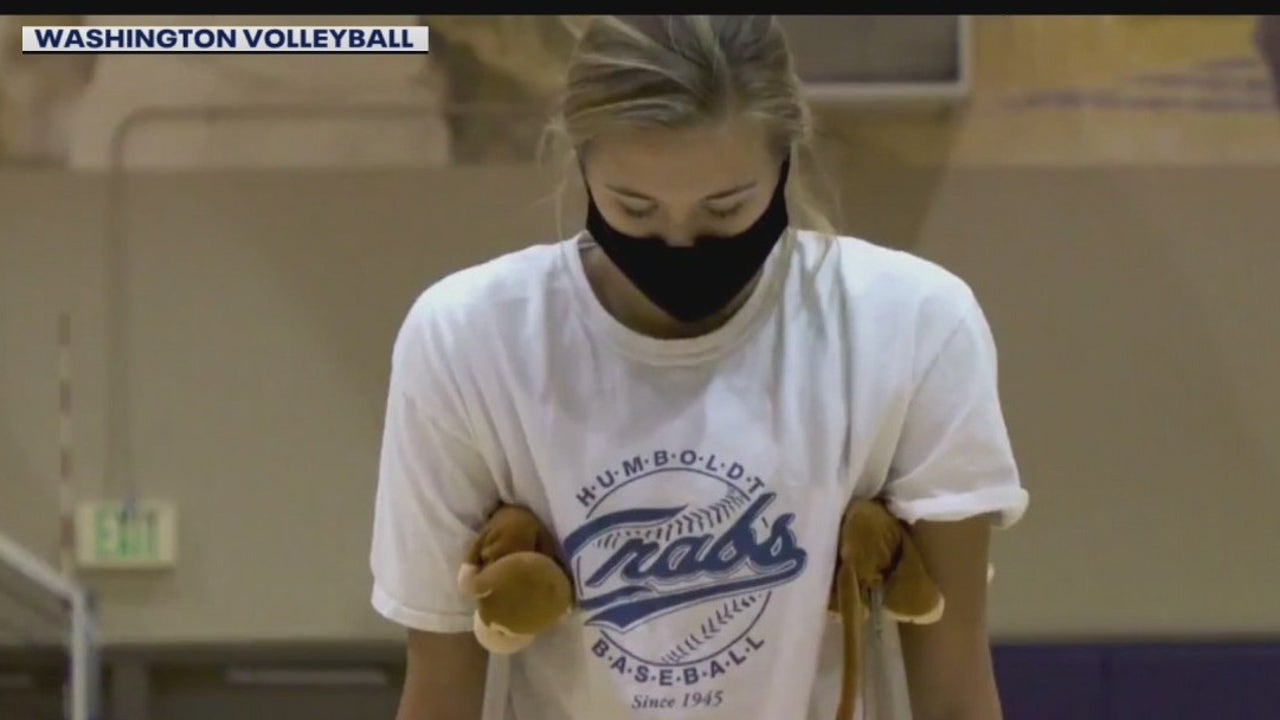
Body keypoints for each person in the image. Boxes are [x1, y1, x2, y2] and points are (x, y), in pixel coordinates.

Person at [370, 15, 1029, 720]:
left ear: (785, 161)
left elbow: (955, 687)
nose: (680, 241)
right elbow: (439, 685)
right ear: (581, 163)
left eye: (725, 209)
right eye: (635, 209)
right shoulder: (468, 337)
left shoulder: (913, 323)